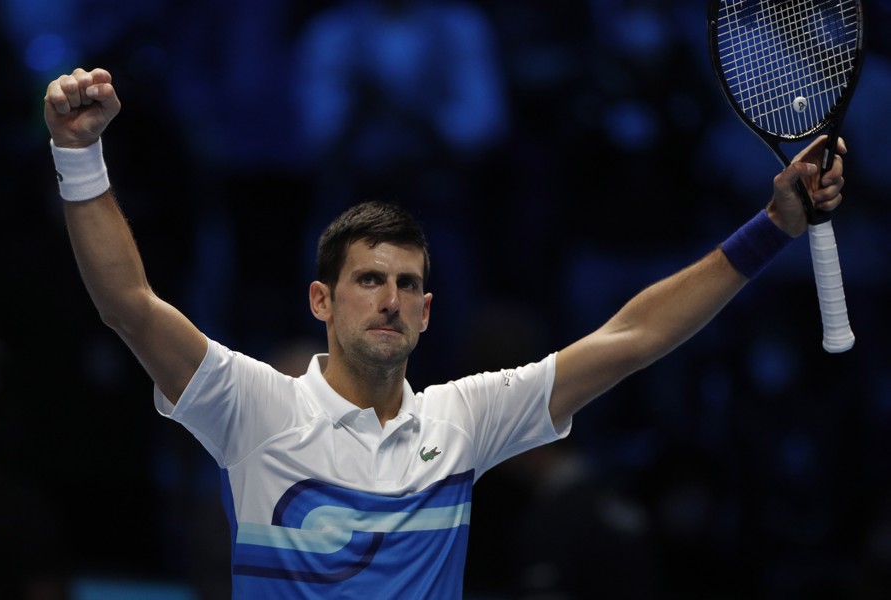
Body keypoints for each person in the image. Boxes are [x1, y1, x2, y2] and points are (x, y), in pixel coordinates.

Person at [44, 67, 847, 599]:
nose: (390, 299)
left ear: (428, 312)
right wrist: (79, 155)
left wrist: (772, 227)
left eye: (408, 285)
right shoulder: (255, 407)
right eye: (369, 280)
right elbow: (130, 305)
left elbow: (632, 337)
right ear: (321, 301)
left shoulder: (462, 420)